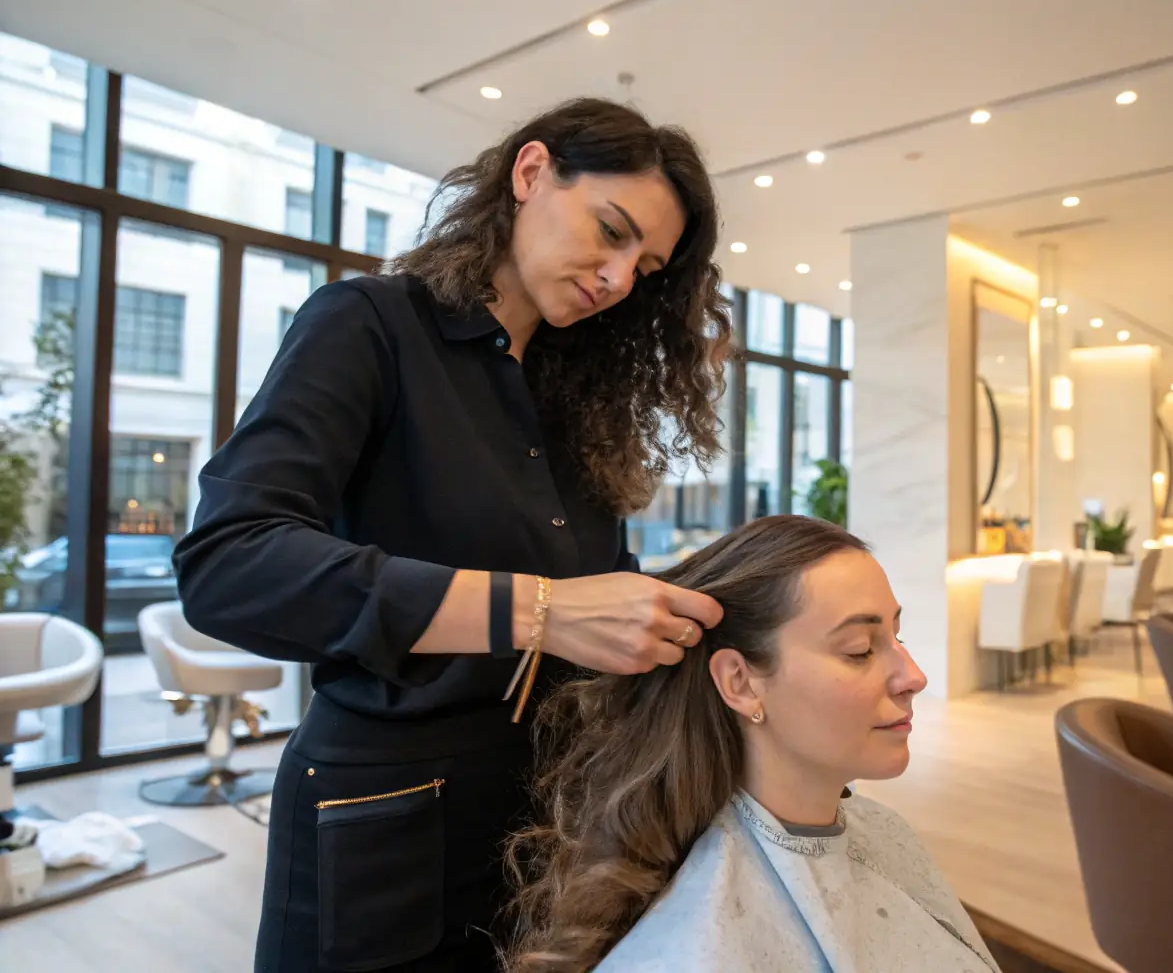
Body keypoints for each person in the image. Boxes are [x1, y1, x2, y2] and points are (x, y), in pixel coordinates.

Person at [171, 98, 729, 972]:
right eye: (611, 231)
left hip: (544, 822)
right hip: (383, 817)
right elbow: (230, 564)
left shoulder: (578, 404)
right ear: (531, 173)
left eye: (646, 267)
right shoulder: (368, 326)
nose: (620, 278)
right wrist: (537, 612)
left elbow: (596, 597)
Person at [504, 515, 1002, 973]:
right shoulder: (697, 947)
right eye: (860, 650)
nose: (914, 677)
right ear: (740, 683)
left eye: (897, 637)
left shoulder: (884, 829)